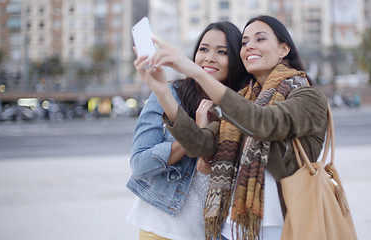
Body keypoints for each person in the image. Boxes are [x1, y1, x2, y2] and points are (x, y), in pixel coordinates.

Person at [144, 15, 328, 240]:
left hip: (285, 227)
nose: (250, 45)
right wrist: (163, 92)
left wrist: (198, 73)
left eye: (260, 39)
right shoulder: (244, 99)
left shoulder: (307, 96)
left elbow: (263, 123)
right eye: (244, 42)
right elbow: (200, 145)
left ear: (284, 49)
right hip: (231, 229)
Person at [127, 21, 249, 240]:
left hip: (216, 232)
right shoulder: (168, 94)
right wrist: (193, 134)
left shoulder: (242, 106)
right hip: (163, 228)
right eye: (203, 49)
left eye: (222, 52)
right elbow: (139, 165)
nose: (209, 57)